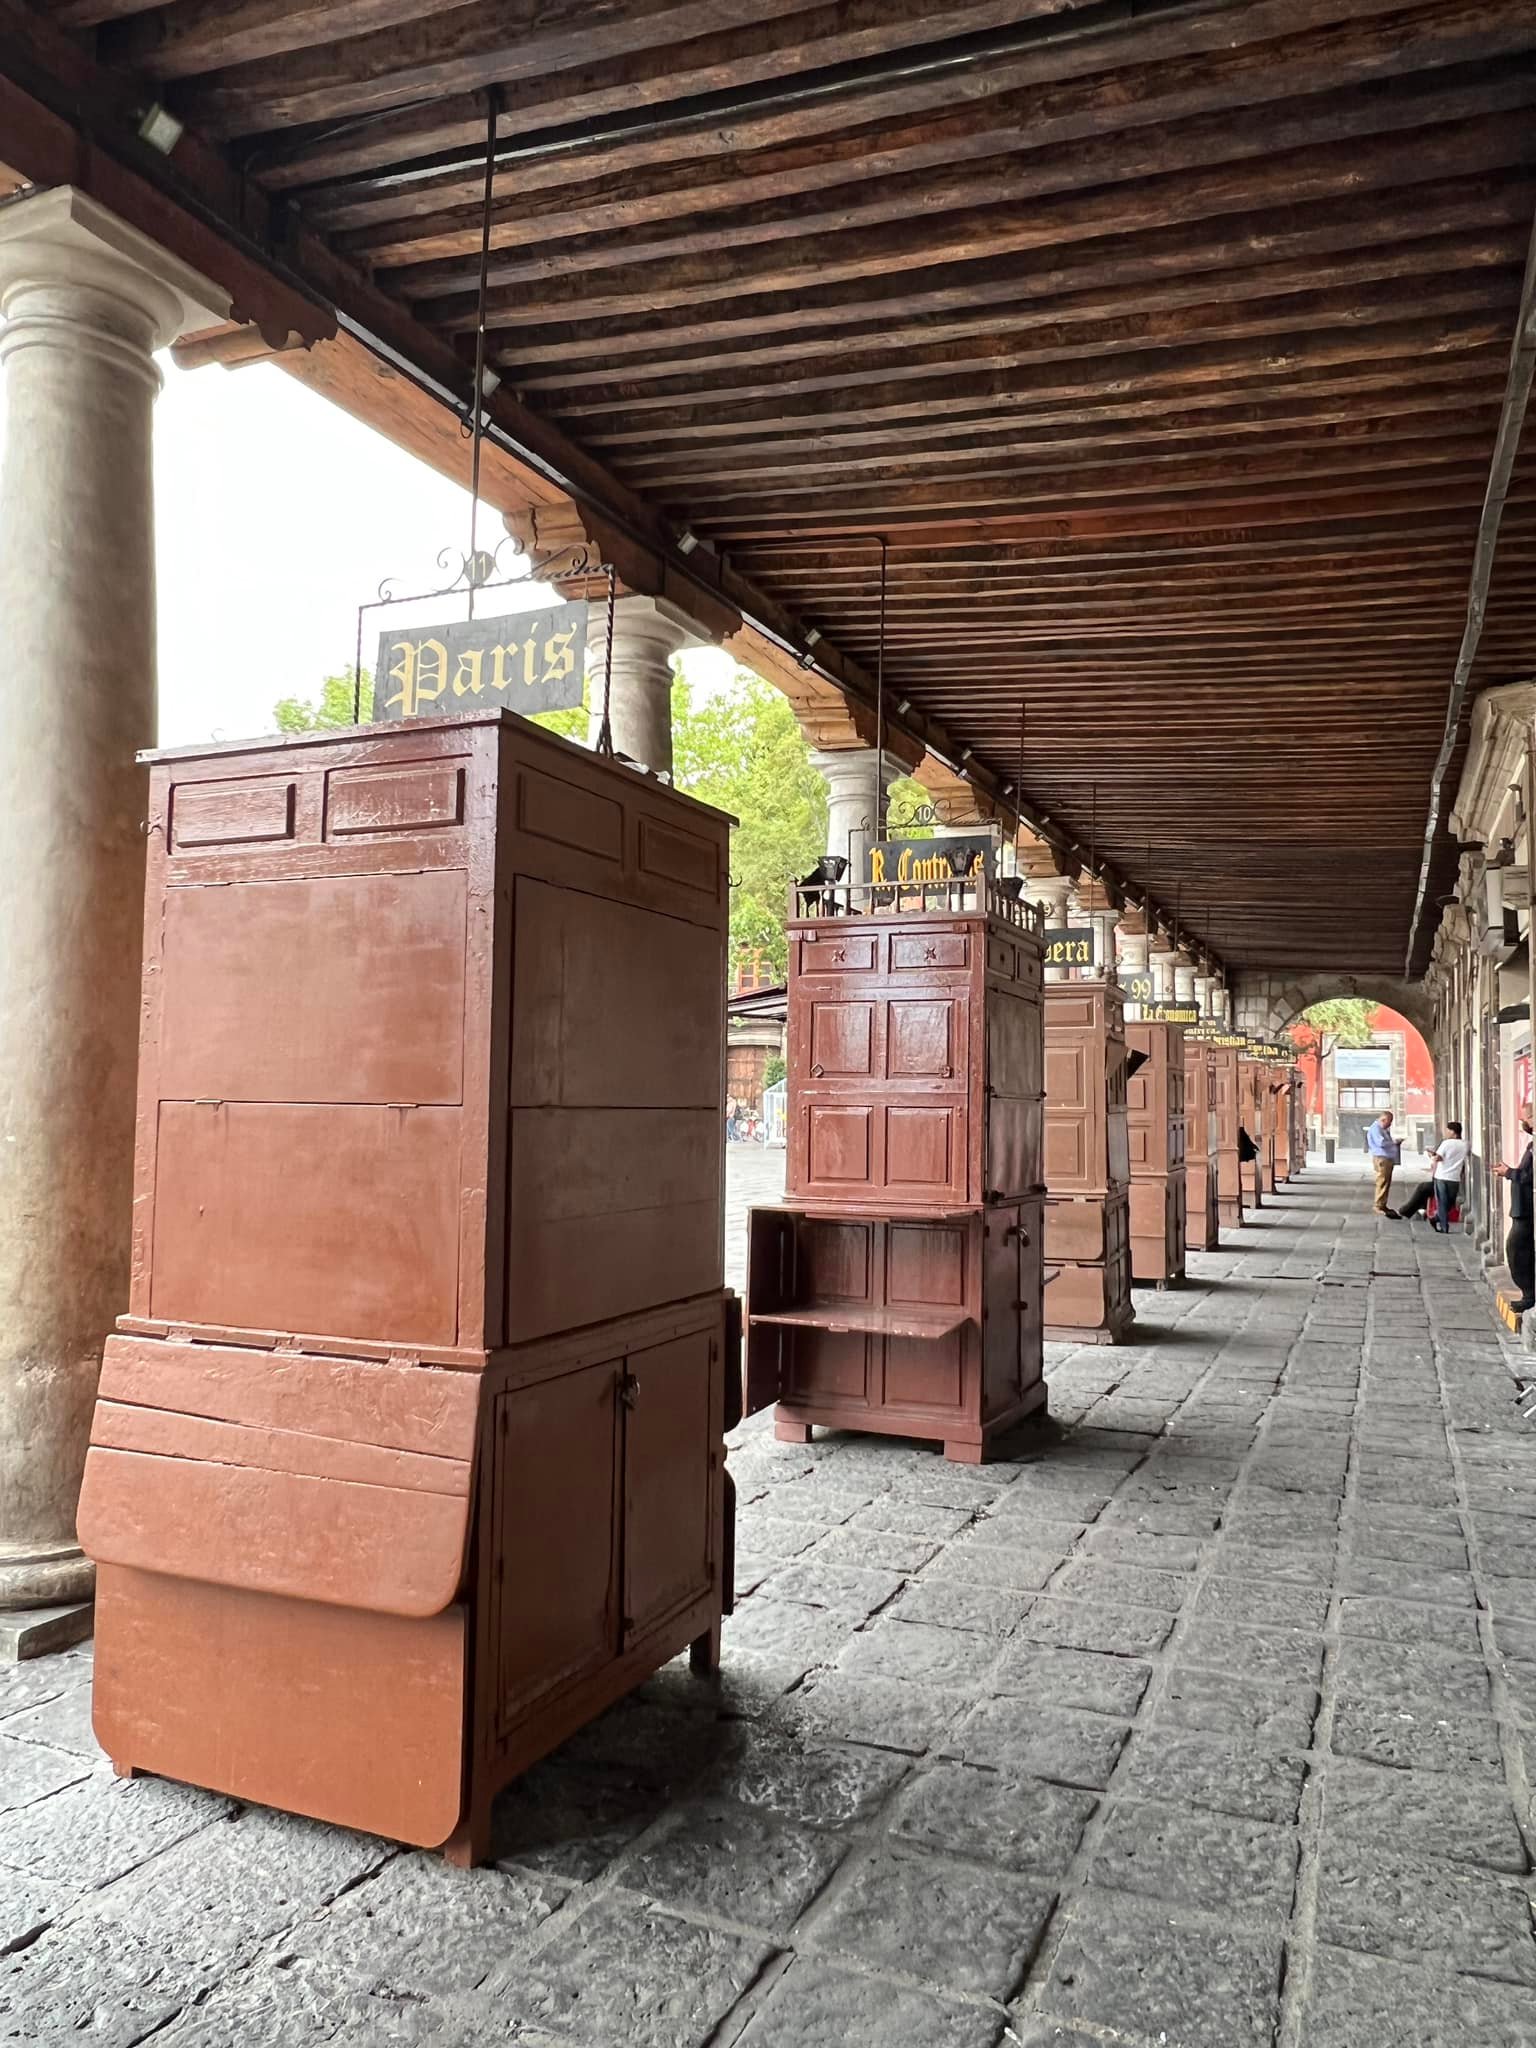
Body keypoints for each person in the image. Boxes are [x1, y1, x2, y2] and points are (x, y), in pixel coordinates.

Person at [1494, 1116, 1534, 1313]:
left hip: (1527, 1208)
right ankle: (1528, 1293)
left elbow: (1529, 1176)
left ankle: (1529, 1295)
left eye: (1530, 1116)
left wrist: (1508, 1172)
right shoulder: (1532, 1144)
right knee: (1517, 1250)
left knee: (1517, 1250)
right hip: (1521, 1207)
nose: (1524, 1120)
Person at [1398, 1120, 1469, 1231]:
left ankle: (1435, 1218)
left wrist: (1431, 1155)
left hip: (1441, 1176)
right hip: (1454, 1177)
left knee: (1441, 1201)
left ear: (1453, 1132)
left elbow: (1438, 1158)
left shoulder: (1446, 1143)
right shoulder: (1465, 1144)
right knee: (1449, 1202)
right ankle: (1444, 1226)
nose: (1446, 1133)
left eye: (1447, 1131)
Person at [1365, 1110, 1401, 1217]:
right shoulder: (1376, 1129)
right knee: (1382, 1181)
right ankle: (1378, 1205)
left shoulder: (1381, 1129)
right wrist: (1394, 1142)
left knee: (1386, 1182)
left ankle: (1382, 1204)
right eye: (1389, 1122)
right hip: (1382, 1158)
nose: (1390, 1124)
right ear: (1383, 1120)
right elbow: (1381, 1142)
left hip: (1386, 1158)